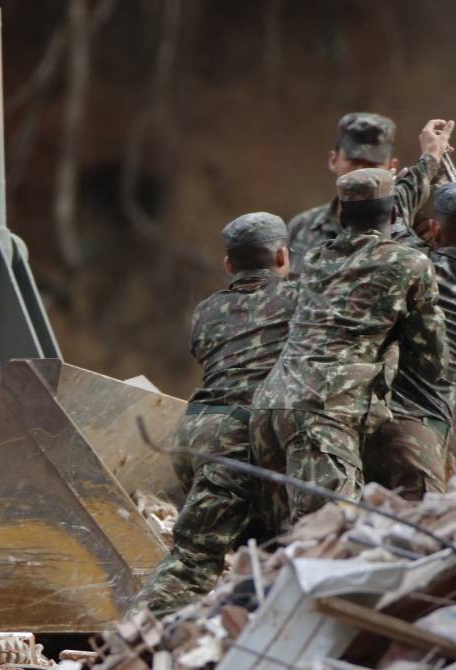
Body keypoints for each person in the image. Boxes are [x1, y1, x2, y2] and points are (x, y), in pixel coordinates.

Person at [250, 166, 449, 531]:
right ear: (393, 215)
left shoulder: (314, 260)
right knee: (329, 543)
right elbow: (434, 360)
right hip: (325, 415)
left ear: (341, 215)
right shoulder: (411, 264)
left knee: (280, 549)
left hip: (270, 410)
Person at [133, 212, 297, 616]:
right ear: (282, 256)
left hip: (195, 432)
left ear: (228, 265)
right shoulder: (300, 300)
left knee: (262, 548)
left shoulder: (207, 311)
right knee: (194, 563)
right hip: (240, 441)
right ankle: (128, 643)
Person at [365, 181, 456, 498]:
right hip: (418, 441)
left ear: (434, 228)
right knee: (414, 536)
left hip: (360, 422)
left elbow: (393, 212)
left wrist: (429, 157)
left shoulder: (407, 264)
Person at [287, 113, 450, 277]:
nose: (362, 171)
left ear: (391, 167)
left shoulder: (408, 230)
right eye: (355, 161)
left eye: (373, 164)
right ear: (333, 160)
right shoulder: (301, 227)